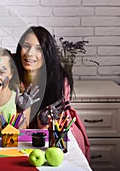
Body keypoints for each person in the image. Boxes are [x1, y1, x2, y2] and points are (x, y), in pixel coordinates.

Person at [14, 26, 90, 161]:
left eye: (38, 48)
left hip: (54, 136)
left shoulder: (59, 80)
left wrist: (43, 122)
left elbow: (57, 130)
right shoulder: (12, 75)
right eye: (26, 46)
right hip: (20, 136)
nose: (29, 53)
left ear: (47, 53)